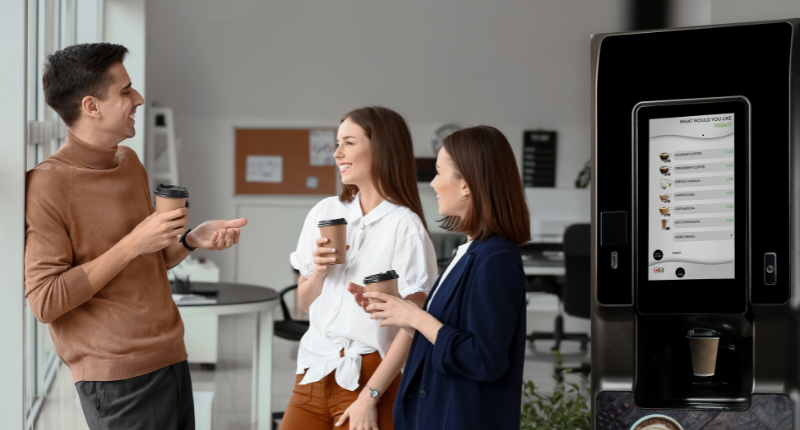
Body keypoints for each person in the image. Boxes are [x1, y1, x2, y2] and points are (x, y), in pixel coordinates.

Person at [24, 43, 247, 430]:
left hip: (171, 355)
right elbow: (46, 301)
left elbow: (149, 260)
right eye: (126, 91)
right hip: (117, 380)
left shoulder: (128, 162)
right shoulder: (46, 185)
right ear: (91, 106)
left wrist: (191, 239)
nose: (139, 98)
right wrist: (132, 243)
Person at [363, 126, 531, 430]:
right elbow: (446, 333)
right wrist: (400, 312)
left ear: (465, 185)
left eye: (439, 172)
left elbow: (483, 359)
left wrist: (417, 317)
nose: (433, 183)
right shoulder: (469, 252)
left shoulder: (497, 258)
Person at [281, 106, 438, 430]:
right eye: (337, 143)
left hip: (370, 375)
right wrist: (319, 272)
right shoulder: (325, 211)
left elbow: (413, 326)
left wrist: (370, 395)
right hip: (314, 365)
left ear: (381, 149)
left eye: (349, 143)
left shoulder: (405, 226)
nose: (337, 153)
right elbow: (305, 303)